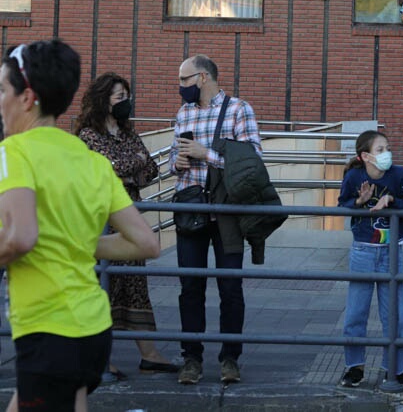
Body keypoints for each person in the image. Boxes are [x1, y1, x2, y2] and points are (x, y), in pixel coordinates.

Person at [0, 40, 159, 410]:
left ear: (27, 99)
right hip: (93, 329)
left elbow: (20, 237)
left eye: (3, 90)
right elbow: (145, 243)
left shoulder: (14, 152)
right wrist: (75, 243)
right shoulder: (90, 161)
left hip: (49, 328)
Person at [76, 72, 178, 377]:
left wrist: (123, 169)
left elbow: (150, 168)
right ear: (103, 101)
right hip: (101, 220)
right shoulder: (88, 136)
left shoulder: (128, 133)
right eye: (119, 97)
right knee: (103, 286)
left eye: (126, 96)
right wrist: (126, 167)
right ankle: (99, 359)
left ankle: (149, 354)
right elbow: (107, 169)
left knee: (135, 283)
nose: (125, 103)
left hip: (130, 217)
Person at [170, 54, 262, 386]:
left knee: (230, 288)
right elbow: (172, 159)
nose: (180, 87)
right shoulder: (183, 113)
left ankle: (230, 359)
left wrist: (203, 154)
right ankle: (191, 358)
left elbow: (252, 161)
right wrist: (177, 161)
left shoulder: (239, 110)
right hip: (191, 208)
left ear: (203, 77)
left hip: (227, 210)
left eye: (184, 80)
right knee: (189, 288)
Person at [337, 130, 403, 389]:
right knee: (355, 313)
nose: (387, 154)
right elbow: (342, 205)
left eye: (387, 148)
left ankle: (393, 368)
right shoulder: (353, 176)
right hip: (362, 251)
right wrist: (359, 201)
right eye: (380, 150)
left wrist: (392, 199)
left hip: (392, 251)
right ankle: (354, 367)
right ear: (365, 156)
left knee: (395, 315)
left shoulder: (399, 174)